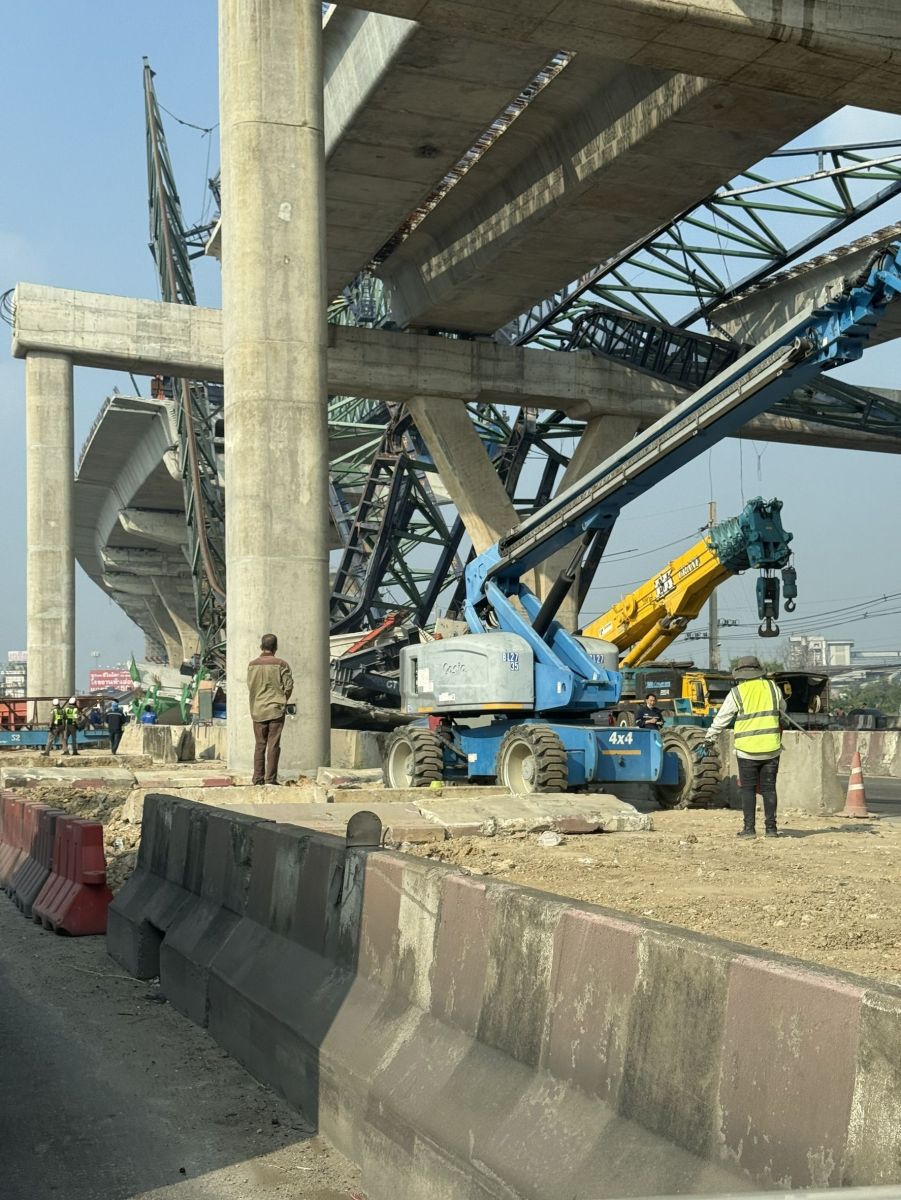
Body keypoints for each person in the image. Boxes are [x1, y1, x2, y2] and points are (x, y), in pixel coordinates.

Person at [700, 655, 786, 838]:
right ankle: (771, 829)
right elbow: (782, 709)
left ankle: (749, 829)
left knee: (748, 789)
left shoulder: (737, 692)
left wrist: (710, 737)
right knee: (769, 788)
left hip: (747, 750)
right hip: (771, 748)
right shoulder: (773, 688)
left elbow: (722, 718)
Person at [247, 633, 294, 786]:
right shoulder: (282, 664)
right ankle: (270, 779)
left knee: (259, 745)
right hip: (276, 709)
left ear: (261, 646)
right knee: (273, 745)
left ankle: (257, 778)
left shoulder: (252, 665)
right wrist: (282, 700)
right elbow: (288, 686)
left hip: (257, 709)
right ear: (276, 647)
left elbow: (250, 686)